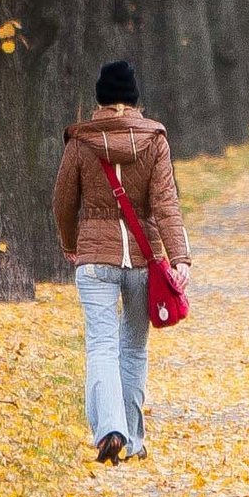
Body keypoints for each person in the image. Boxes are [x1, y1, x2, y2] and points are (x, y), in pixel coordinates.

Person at [51, 60, 192, 465]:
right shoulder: (155, 141)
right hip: (144, 263)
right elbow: (166, 203)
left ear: (99, 98)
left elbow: (62, 200)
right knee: (133, 350)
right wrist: (178, 256)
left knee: (100, 346)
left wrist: (69, 242)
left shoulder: (80, 142)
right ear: (133, 98)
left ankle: (108, 428)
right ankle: (131, 438)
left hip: (94, 257)